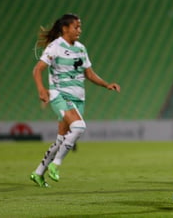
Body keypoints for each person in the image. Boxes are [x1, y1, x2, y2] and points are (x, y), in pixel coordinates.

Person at [30, 14, 120, 187]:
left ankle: (38, 173)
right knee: (79, 127)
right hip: (60, 95)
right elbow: (37, 69)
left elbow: (89, 74)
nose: (79, 30)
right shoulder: (54, 47)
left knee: (61, 140)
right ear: (65, 29)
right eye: (76, 27)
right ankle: (55, 165)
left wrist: (106, 84)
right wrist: (42, 89)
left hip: (78, 98)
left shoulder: (80, 48)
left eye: (80, 27)